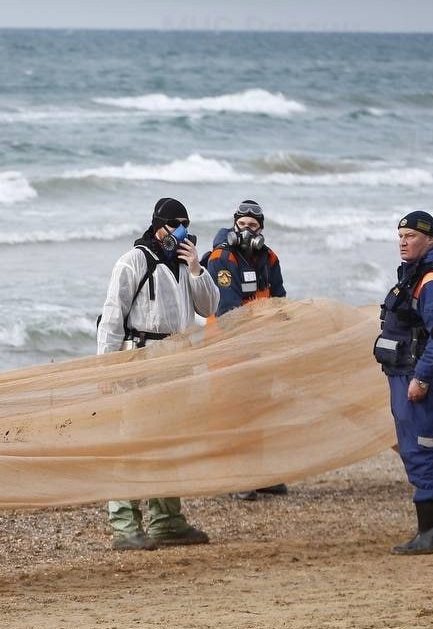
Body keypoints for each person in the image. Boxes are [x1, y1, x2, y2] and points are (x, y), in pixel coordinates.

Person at [96, 197, 219, 551]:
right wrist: (106, 367)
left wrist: (197, 268)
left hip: (177, 361)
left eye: (186, 227)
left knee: (170, 440)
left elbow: (209, 306)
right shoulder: (133, 261)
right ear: (157, 225)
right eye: (174, 226)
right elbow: (112, 316)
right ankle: (124, 525)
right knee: (132, 441)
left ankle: (167, 521)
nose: (180, 233)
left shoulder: (185, 263)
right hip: (141, 358)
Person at [373, 212, 433, 555]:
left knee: (423, 449)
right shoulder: (419, 274)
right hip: (406, 375)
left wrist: (422, 379)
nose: (403, 241)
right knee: (417, 449)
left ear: (429, 239)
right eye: (400, 235)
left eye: (411, 235)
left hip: (420, 379)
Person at [201, 199, 289, 500]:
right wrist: (252, 336)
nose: (248, 230)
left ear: (261, 228)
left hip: (259, 347)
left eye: (253, 226)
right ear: (234, 225)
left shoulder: (270, 258)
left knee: (257, 409)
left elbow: (279, 299)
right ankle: (234, 478)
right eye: (243, 225)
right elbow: (229, 311)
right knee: (231, 411)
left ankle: (259, 474)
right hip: (227, 347)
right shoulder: (222, 257)